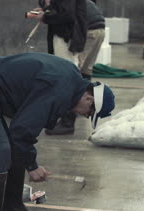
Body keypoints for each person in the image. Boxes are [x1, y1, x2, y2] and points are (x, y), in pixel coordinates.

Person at [0, 52, 115, 211]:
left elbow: (24, 129)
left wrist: (29, 160)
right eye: (88, 113)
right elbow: (22, 131)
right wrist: (32, 166)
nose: (83, 115)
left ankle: (12, 210)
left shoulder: (70, 82)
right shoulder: (60, 89)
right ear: (89, 99)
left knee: (13, 147)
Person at [45, 0, 105, 134]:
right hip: (98, 28)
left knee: (71, 76)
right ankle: (89, 109)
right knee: (84, 73)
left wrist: (45, 16)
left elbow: (67, 15)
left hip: (86, 31)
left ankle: (68, 121)